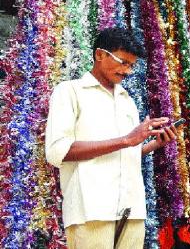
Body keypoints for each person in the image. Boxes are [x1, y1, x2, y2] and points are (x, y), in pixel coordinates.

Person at [45, 28, 179, 249]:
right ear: (100, 54)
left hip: (132, 209)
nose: (127, 71)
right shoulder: (69, 92)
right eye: (123, 62)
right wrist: (127, 140)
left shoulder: (127, 100)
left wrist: (152, 145)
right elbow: (57, 151)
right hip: (91, 211)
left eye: (132, 65)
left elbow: (126, 150)